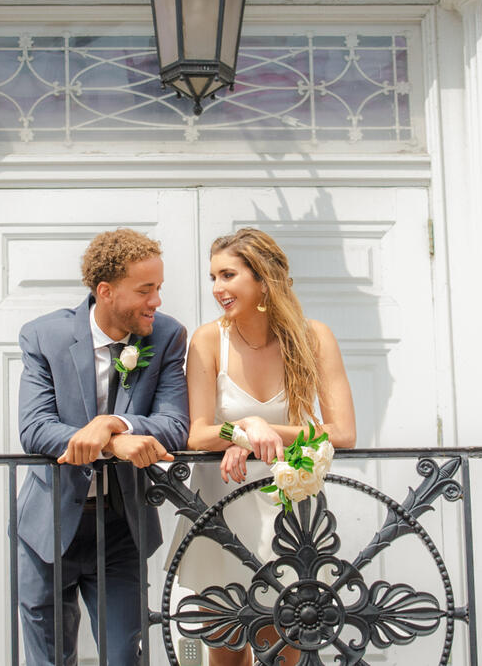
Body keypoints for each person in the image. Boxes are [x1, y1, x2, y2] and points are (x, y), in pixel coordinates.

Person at [178, 227, 357, 666]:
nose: (217, 288)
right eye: (213, 277)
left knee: (284, 648)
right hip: (223, 505)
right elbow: (197, 432)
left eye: (228, 275)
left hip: (288, 506)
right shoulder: (207, 339)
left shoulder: (313, 338)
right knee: (227, 650)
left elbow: (344, 432)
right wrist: (242, 431)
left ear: (263, 279)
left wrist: (268, 432)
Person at [16, 228, 191, 666]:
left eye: (159, 288)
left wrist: (113, 423)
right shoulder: (43, 336)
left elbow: (174, 425)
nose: (157, 301)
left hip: (121, 527)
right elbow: (35, 428)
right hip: (48, 527)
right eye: (146, 290)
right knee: (49, 659)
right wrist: (115, 443)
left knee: (123, 657)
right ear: (106, 291)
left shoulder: (166, 336)